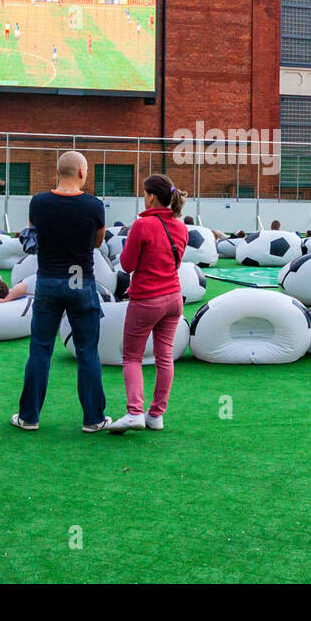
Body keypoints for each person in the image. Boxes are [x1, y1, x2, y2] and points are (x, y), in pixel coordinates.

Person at [13, 151, 110, 433]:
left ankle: (29, 417)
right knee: (87, 352)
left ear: (58, 172)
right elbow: (97, 242)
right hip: (81, 281)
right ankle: (93, 419)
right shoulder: (94, 205)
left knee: (40, 351)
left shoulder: (39, 202)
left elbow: (34, 236)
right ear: (82, 172)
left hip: (48, 280)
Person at [110, 174, 189, 435]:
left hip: (146, 300)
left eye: (144, 194)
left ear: (151, 197)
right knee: (164, 357)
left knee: (132, 357)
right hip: (174, 299)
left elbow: (127, 265)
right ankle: (156, 414)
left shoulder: (141, 226)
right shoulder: (181, 228)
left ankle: (134, 413)